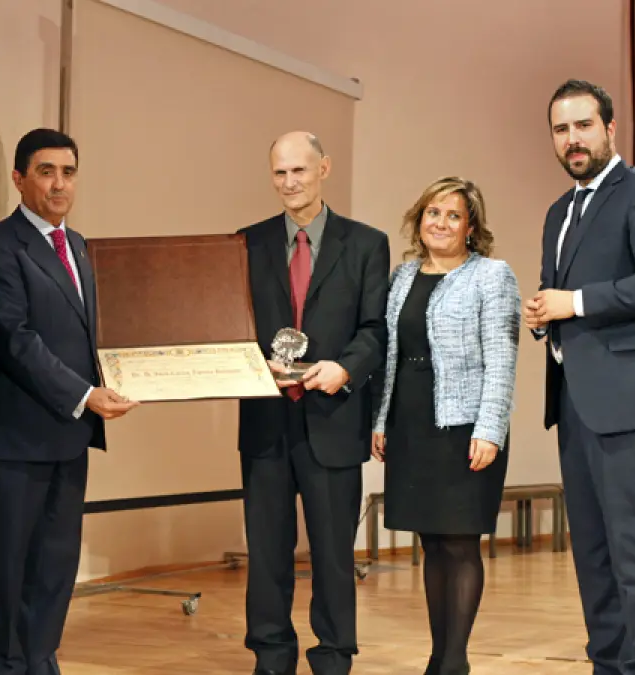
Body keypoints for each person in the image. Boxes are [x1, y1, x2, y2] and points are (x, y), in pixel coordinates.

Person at [524, 79, 635, 675]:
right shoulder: (558, 212)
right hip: (575, 403)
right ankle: (608, 664)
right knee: (592, 552)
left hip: (634, 403)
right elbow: (560, 294)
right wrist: (545, 315)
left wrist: (574, 304)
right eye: (561, 129)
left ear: (610, 128)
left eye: (583, 126)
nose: (572, 139)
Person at [0, 128, 138, 675]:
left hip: (69, 436)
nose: (59, 184)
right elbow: (13, 337)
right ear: (19, 178)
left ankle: (40, 660)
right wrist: (85, 394)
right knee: (9, 566)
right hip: (15, 438)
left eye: (68, 172)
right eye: (45, 171)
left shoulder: (80, 246)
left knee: (55, 565)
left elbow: (87, 336)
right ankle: (4, 667)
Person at [237, 131, 389, 675]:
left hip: (334, 419)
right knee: (266, 554)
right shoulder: (246, 243)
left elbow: (375, 330)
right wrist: (253, 362)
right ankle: (271, 657)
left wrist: (343, 369)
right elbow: (233, 325)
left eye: (299, 170)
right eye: (279, 172)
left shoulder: (366, 243)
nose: (289, 182)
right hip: (266, 421)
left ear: (323, 168)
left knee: (333, 556)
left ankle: (333, 657)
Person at [371, 177, 520, 675]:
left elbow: (502, 360)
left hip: (464, 429)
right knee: (431, 542)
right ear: (419, 219)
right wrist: (381, 419)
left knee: (459, 542)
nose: (440, 223)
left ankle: (454, 662)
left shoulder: (492, 276)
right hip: (411, 425)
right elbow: (390, 356)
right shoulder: (402, 277)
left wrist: (490, 429)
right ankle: (439, 657)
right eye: (433, 212)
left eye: (453, 215)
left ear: (470, 228)